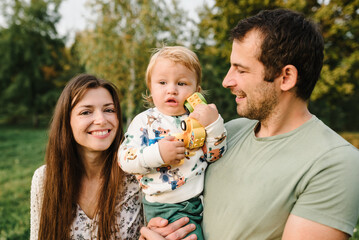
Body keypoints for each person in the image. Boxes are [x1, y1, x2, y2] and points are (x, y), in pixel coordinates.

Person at [199, 8, 359, 240]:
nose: (226, 81)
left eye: (241, 70)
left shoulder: (335, 163)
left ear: (286, 78)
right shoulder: (227, 133)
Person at [118, 46, 227, 240]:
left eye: (182, 83)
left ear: (197, 91)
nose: (172, 89)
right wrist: (157, 154)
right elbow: (125, 159)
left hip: (198, 203)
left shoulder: (199, 120)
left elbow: (215, 155)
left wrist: (213, 124)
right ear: (151, 89)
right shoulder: (144, 121)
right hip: (163, 207)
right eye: (162, 82)